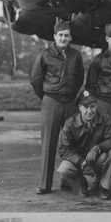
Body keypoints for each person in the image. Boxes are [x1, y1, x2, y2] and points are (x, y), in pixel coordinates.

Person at [30, 21, 85, 195]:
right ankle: (45, 185)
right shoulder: (44, 54)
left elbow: (79, 79)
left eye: (66, 35)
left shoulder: (76, 56)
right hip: (51, 102)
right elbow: (35, 80)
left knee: (73, 142)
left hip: (70, 103)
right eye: (60, 35)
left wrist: (71, 96)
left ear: (70, 38)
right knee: (49, 144)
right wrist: (47, 97)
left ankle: (69, 181)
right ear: (55, 37)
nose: (63, 38)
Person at [57, 91, 111, 200]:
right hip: (78, 162)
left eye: (92, 107)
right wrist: (81, 161)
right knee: (64, 168)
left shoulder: (105, 119)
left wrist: (98, 148)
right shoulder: (70, 123)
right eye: (85, 107)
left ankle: (103, 186)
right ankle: (80, 183)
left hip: (97, 159)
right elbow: (63, 150)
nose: (89, 111)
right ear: (79, 107)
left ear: (96, 106)